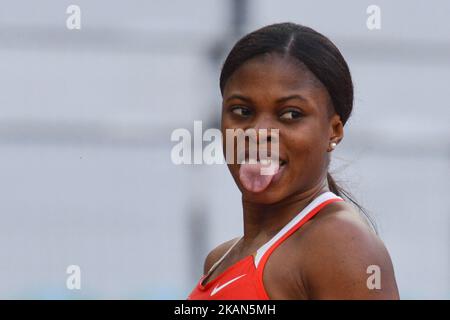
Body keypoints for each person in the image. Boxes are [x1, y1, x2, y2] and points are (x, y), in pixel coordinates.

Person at [187, 22, 399, 300]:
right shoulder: (219, 259)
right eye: (242, 111)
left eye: (291, 114)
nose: (259, 133)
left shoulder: (340, 245)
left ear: (333, 131)